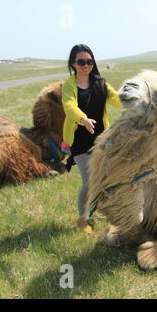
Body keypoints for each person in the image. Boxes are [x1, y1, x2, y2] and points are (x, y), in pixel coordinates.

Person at [62, 44, 122, 233]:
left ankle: (98, 210)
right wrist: (83, 119)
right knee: (89, 182)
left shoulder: (101, 83)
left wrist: (138, 103)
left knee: (105, 178)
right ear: (73, 63)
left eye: (89, 61)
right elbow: (69, 106)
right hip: (79, 139)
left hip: (101, 139)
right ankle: (83, 219)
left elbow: (118, 99)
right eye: (81, 62)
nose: (86, 65)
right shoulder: (69, 85)